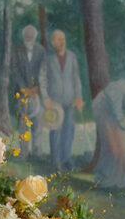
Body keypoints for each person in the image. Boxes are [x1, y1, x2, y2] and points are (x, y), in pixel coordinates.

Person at [39, 30, 83, 171]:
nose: (62, 42)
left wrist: (78, 97)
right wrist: (45, 98)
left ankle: (66, 160)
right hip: (55, 102)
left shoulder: (72, 57)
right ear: (53, 42)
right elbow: (42, 79)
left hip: (70, 101)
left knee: (69, 130)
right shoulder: (48, 58)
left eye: (63, 39)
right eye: (58, 39)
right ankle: (55, 162)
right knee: (56, 131)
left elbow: (76, 79)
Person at [91, 79, 125, 188]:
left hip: (113, 114)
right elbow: (119, 119)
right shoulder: (116, 93)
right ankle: (107, 179)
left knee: (121, 149)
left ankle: (122, 180)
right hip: (102, 109)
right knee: (113, 149)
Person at [13, 24, 46, 157]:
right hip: (21, 92)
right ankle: (24, 152)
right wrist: (24, 88)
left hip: (37, 92)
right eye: (27, 36)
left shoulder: (41, 50)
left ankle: (37, 151)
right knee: (23, 123)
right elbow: (14, 70)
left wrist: (37, 88)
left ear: (35, 37)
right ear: (23, 36)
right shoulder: (17, 50)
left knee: (38, 123)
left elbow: (43, 70)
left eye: (31, 36)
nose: (29, 38)